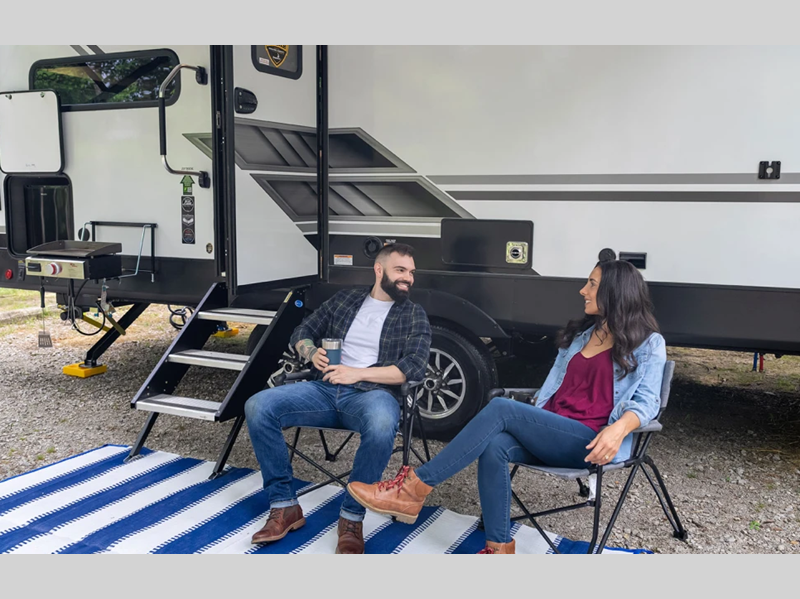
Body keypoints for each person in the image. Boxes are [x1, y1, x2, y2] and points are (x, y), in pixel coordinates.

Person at [347, 249, 666, 554]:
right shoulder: (581, 337)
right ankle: (498, 547)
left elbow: (648, 401)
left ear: (615, 292)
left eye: (592, 284)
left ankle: (413, 488)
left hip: (592, 440)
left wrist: (619, 429)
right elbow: (553, 390)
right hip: (553, 431)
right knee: (496, 445)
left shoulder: (648, 344)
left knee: (501, 408)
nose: (583, 290)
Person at [244, 243, 431, 554]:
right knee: (258, 405)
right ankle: (284, 505)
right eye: (400, 270)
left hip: (373, 395)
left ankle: (351, 518)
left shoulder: (413, 314)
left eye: (411, 272)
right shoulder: (345, 300)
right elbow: (302, 330)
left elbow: (412, 368)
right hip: (325, 389)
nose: (408, 278)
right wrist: (310, 352)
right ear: (379, 270)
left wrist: (356, 373)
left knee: (382, 423)